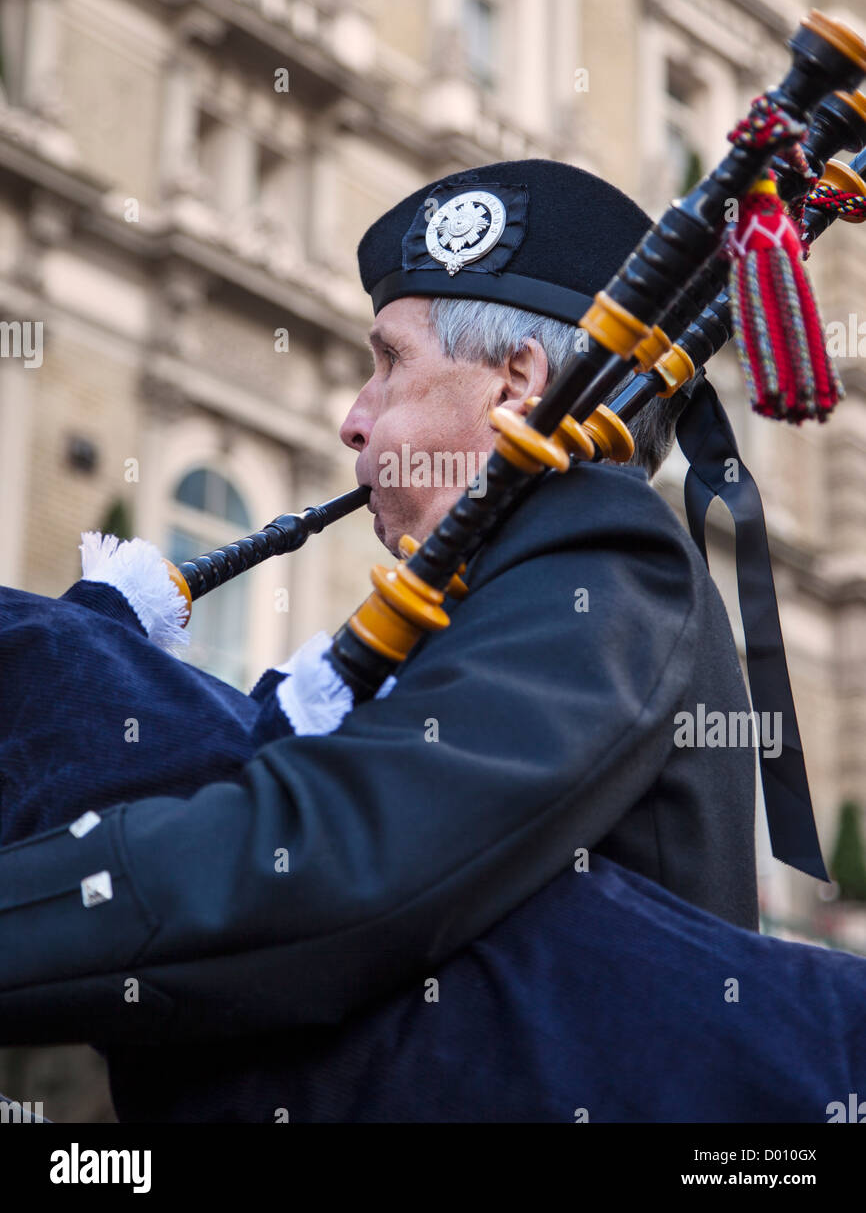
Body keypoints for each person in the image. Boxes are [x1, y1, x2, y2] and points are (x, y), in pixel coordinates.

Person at [0, 159, 847, 1122]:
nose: (355, 420)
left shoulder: (606, 547)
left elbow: (343, 862)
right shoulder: (504, 585)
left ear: (517, 385)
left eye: (390, 362)